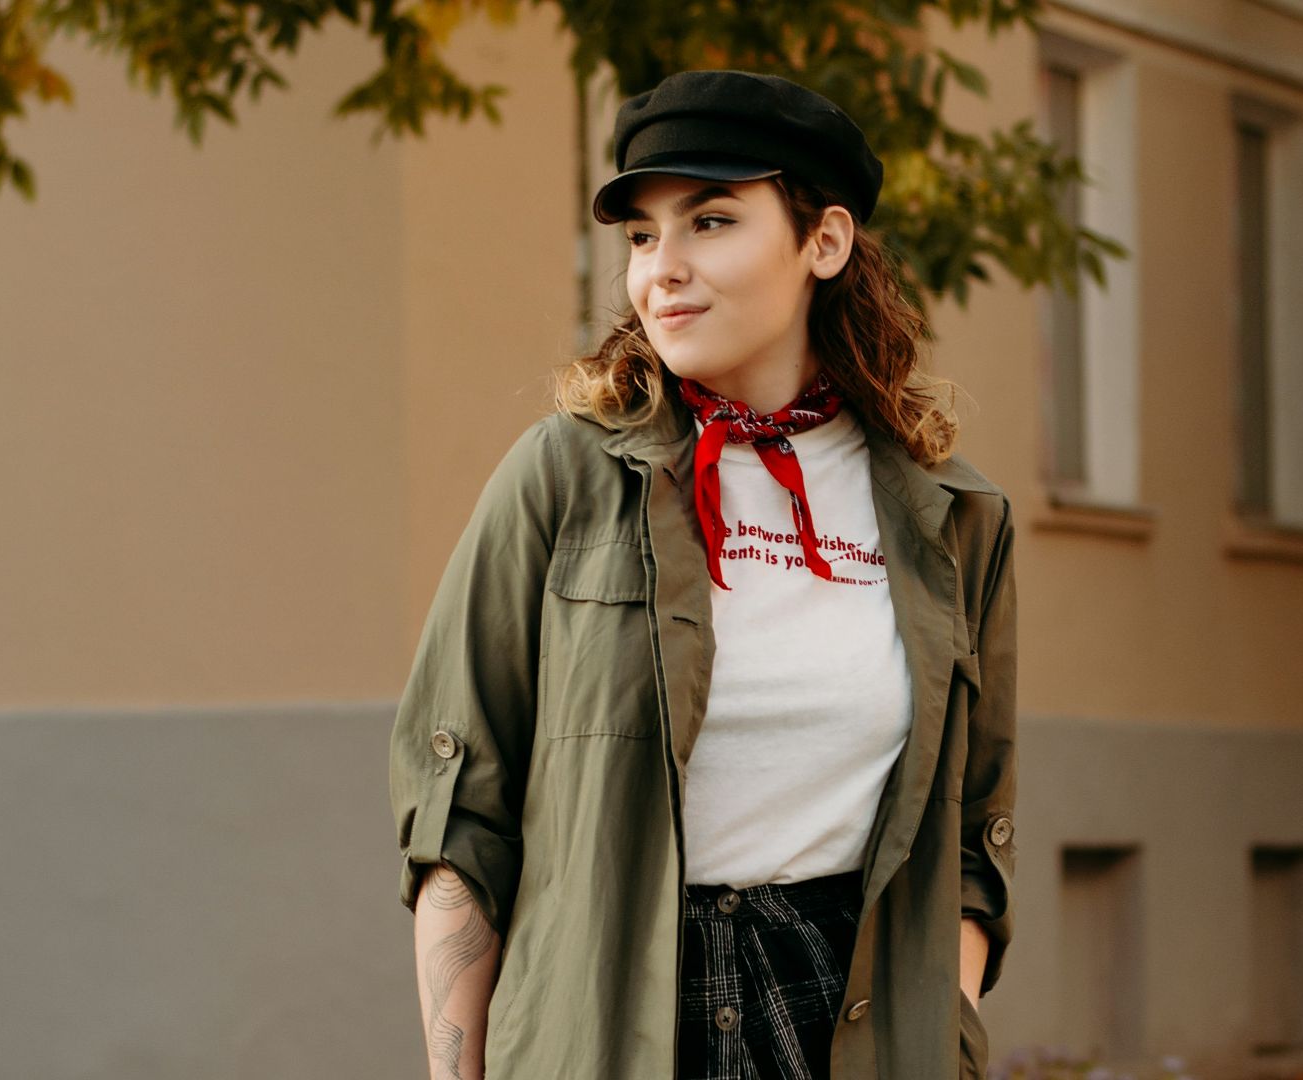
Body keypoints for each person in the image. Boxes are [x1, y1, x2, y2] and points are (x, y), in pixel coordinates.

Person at [389, 68, 1018, 1080]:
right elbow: (462, 812)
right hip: (607, 1024)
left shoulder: (954, 520)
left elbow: (974, 838)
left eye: (712, 221)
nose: (661, 270)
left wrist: (938, 1024)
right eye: (643, 235)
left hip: (846, 1019)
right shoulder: (563, 479)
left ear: (825, 242)